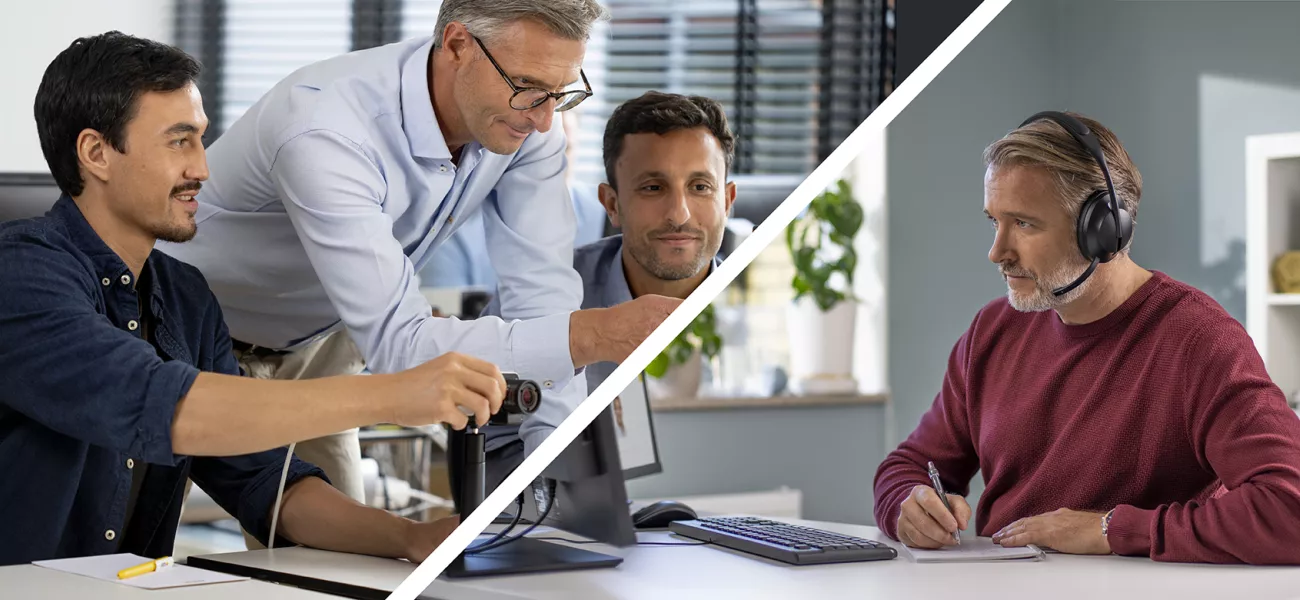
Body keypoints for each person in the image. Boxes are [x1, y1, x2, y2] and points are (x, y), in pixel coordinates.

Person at [0, 32, 507, 566]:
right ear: (96, 153)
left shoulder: (184, 297)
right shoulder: (20, 275)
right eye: (178, 142)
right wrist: (394, 394)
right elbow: (165, 406)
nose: (202, 169)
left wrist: (412, 538)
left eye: (200, 139)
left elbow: (266, 482)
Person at [153, 0, 680, 506]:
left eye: (562, 92)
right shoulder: (327, 125)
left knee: (338, 566)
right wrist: (599, 333)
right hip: (185, 336)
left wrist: (559, 478)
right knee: (133, 550)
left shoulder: (526, 124)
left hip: (322, 343)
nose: (545, 121)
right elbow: (401, 348)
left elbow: (543, 299)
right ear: (457, 45)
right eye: (528, 88)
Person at [872, 111, 1300, 565]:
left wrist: (1112, 529)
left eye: (1024, 224)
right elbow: (909, 465)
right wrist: (907, 504)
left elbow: (1289, 507)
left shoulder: (1198, 340)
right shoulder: (991, 332)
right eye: (993, 221)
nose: (997, 252)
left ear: (1102, 230)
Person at [418, 109, 608, 289]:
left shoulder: (608, 211)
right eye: (540, 154)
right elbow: (443, 311)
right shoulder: (453, 225)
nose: (551, 165)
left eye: (564, 151)